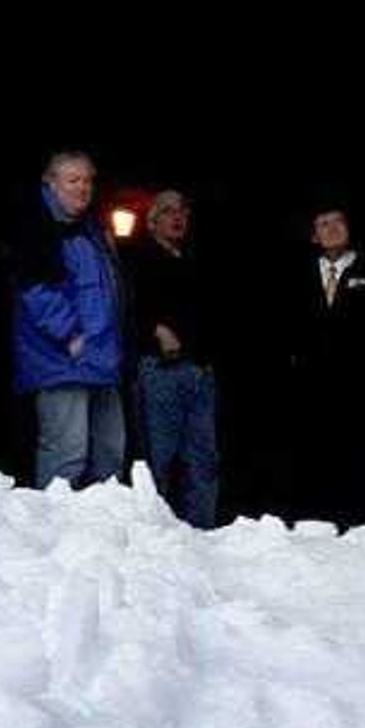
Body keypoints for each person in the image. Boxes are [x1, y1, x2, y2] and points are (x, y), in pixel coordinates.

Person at [5, 149, 126, 490]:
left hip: (101, 358)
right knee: (67, 454)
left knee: (110, 453)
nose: (83, 188)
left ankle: (102, 532)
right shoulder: (36, 225)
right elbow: (34, 289)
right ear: (51, 182)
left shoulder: (91, 229)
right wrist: (71, 334)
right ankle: (53, 533)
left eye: (88, 180)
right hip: (61, 359)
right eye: (73, 180)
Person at [283, 203, 365, 526]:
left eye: (338, 221)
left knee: (360, 461)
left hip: (360, 386)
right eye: (323, 223)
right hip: (310, 387)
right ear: (314, 236)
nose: (332, 228)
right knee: (313, 459)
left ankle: (361, 524)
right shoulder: (296, 275)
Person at [126, 188, 221, 526]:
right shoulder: (138, 258)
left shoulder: (194, 259)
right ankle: (157, 535)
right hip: (161, 370)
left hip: (198, 370)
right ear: (152, 221)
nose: (177, 216)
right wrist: (156, 329)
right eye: (167, 211)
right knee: (159, 459)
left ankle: (202, 533)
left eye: (182, 210)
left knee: (203, 459)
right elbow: (128, 308)